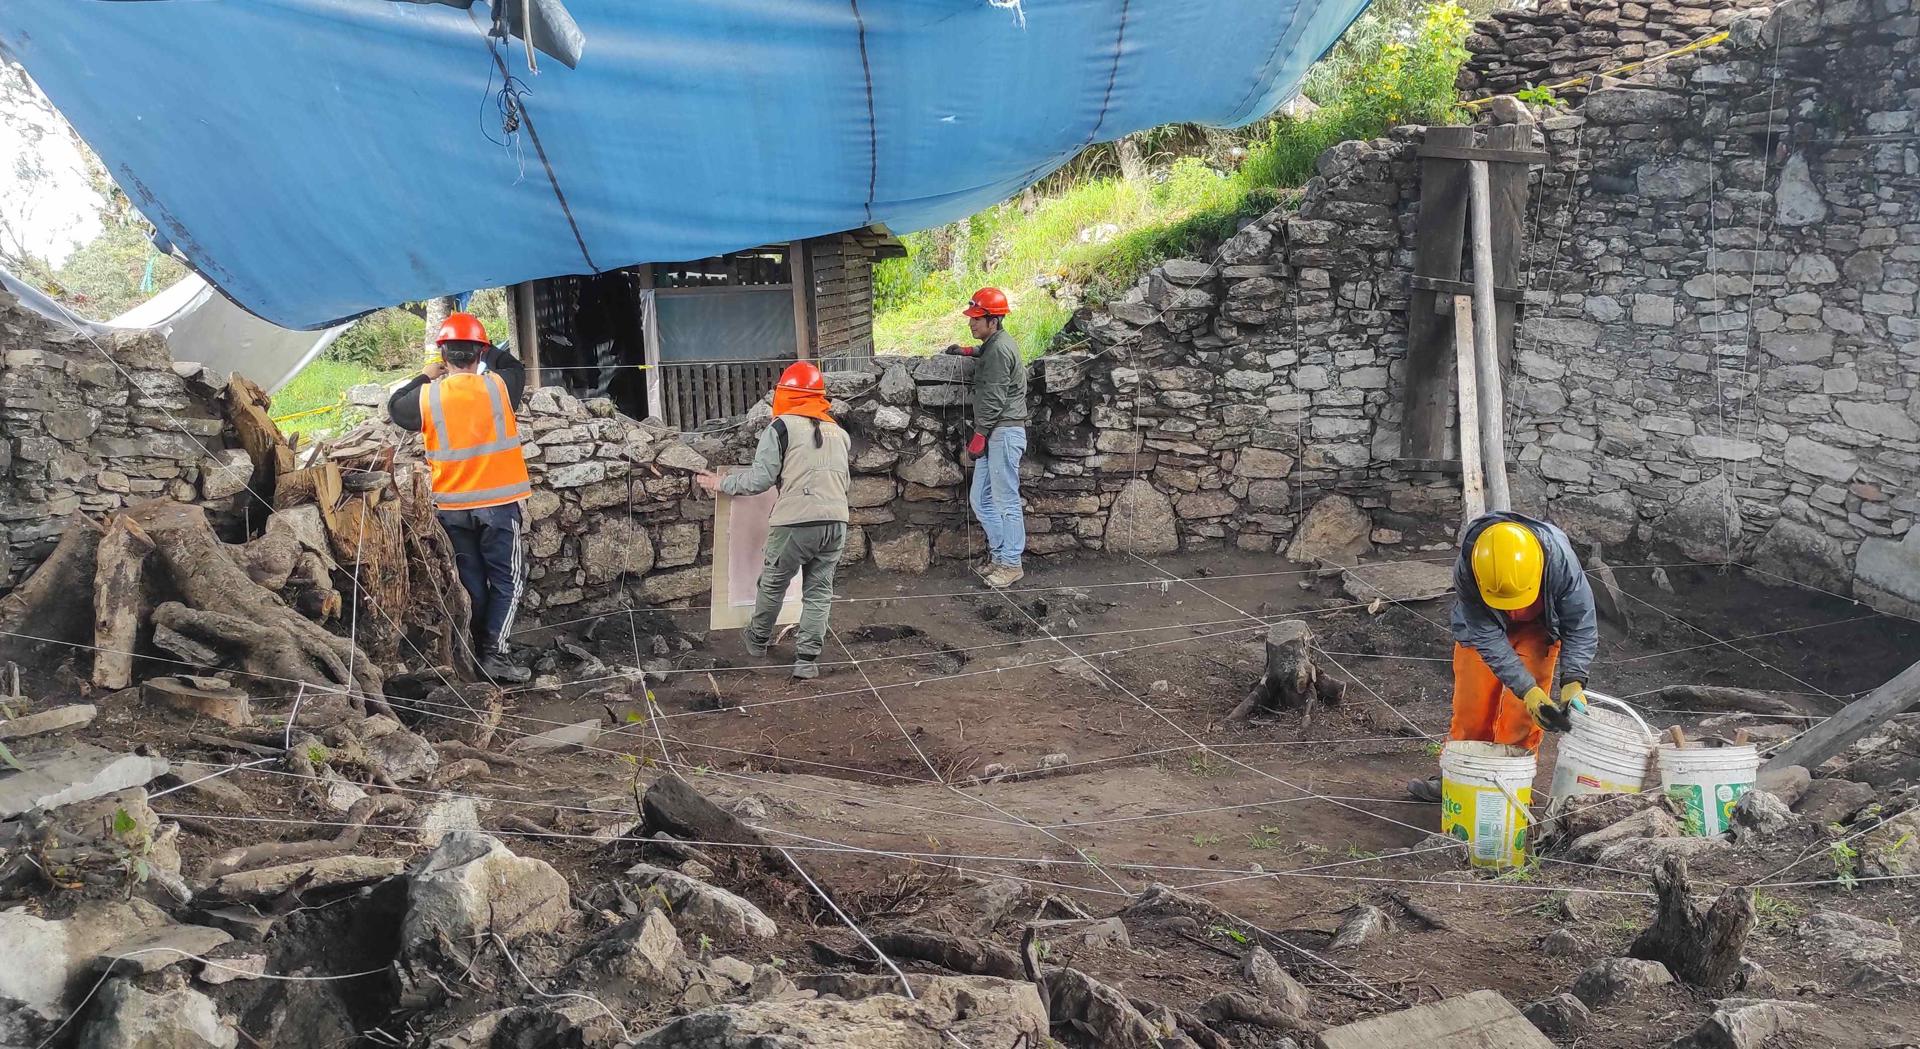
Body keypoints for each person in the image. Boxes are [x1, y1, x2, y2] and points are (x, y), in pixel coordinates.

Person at [1408, 511, 1599, 802]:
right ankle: (1458, 780)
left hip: (1538, 627)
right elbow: (1488, 639)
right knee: (1472, 706)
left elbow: (1580, 622)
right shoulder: (1470, 567)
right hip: (1482, 627)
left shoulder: (1561, 562)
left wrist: (1574, 680)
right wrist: (1528, 689)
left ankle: (1512, 787)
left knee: (1524, 716)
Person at [387, 311, 534, 685]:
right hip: (498, 507)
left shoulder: (427, 396)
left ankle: (471, 651)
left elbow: (395, 406)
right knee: (507, 581)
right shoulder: (500, 387)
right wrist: (489, 352)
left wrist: (427, 373)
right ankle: (494, 655)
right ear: (480, 351)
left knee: (470, 582)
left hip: (452, 508)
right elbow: (514, 365)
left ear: (444, 354)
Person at [695, 361, 850, 680]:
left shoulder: (779, 428)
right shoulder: (838, 432)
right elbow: (844, 482)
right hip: (836, 522)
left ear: (786, 394)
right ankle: (807, 661)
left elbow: (759, 480)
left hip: (794, 523)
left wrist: (719, 483)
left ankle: (757, 641)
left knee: (772, 584)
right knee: (819, 590)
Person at [943, 286, 1029, 589]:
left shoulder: (999, 350)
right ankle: (1000, 555)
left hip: (1002, 432)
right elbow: (991, 355)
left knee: (1005, 500)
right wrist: (970, 351)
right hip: (997, 430)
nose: (971, 323)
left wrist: (979, 436)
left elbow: (993, 397)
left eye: (977, 319)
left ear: (994, 321)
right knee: (980, 499)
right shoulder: (995, 345)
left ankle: (1011, 563)